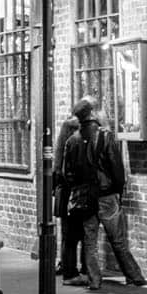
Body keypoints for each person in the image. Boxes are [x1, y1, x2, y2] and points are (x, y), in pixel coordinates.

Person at [63, 99, 146, 290]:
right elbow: (117, 169)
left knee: (89, 242)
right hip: (106, 196)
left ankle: (94, 280)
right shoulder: (106, 137)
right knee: (118, 240)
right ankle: (134, 277)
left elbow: (68, 174)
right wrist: (118, 189)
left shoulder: (72, 141)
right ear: (92, 113)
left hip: (85, 199)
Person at [55, 103, 88, 284]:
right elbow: (69, 174)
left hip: (66, 194)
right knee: (74, 235)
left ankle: (71, 270)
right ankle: (71, 273)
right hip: (72, 195)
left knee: (69, 235)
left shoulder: (64, 146)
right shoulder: (74, 144)